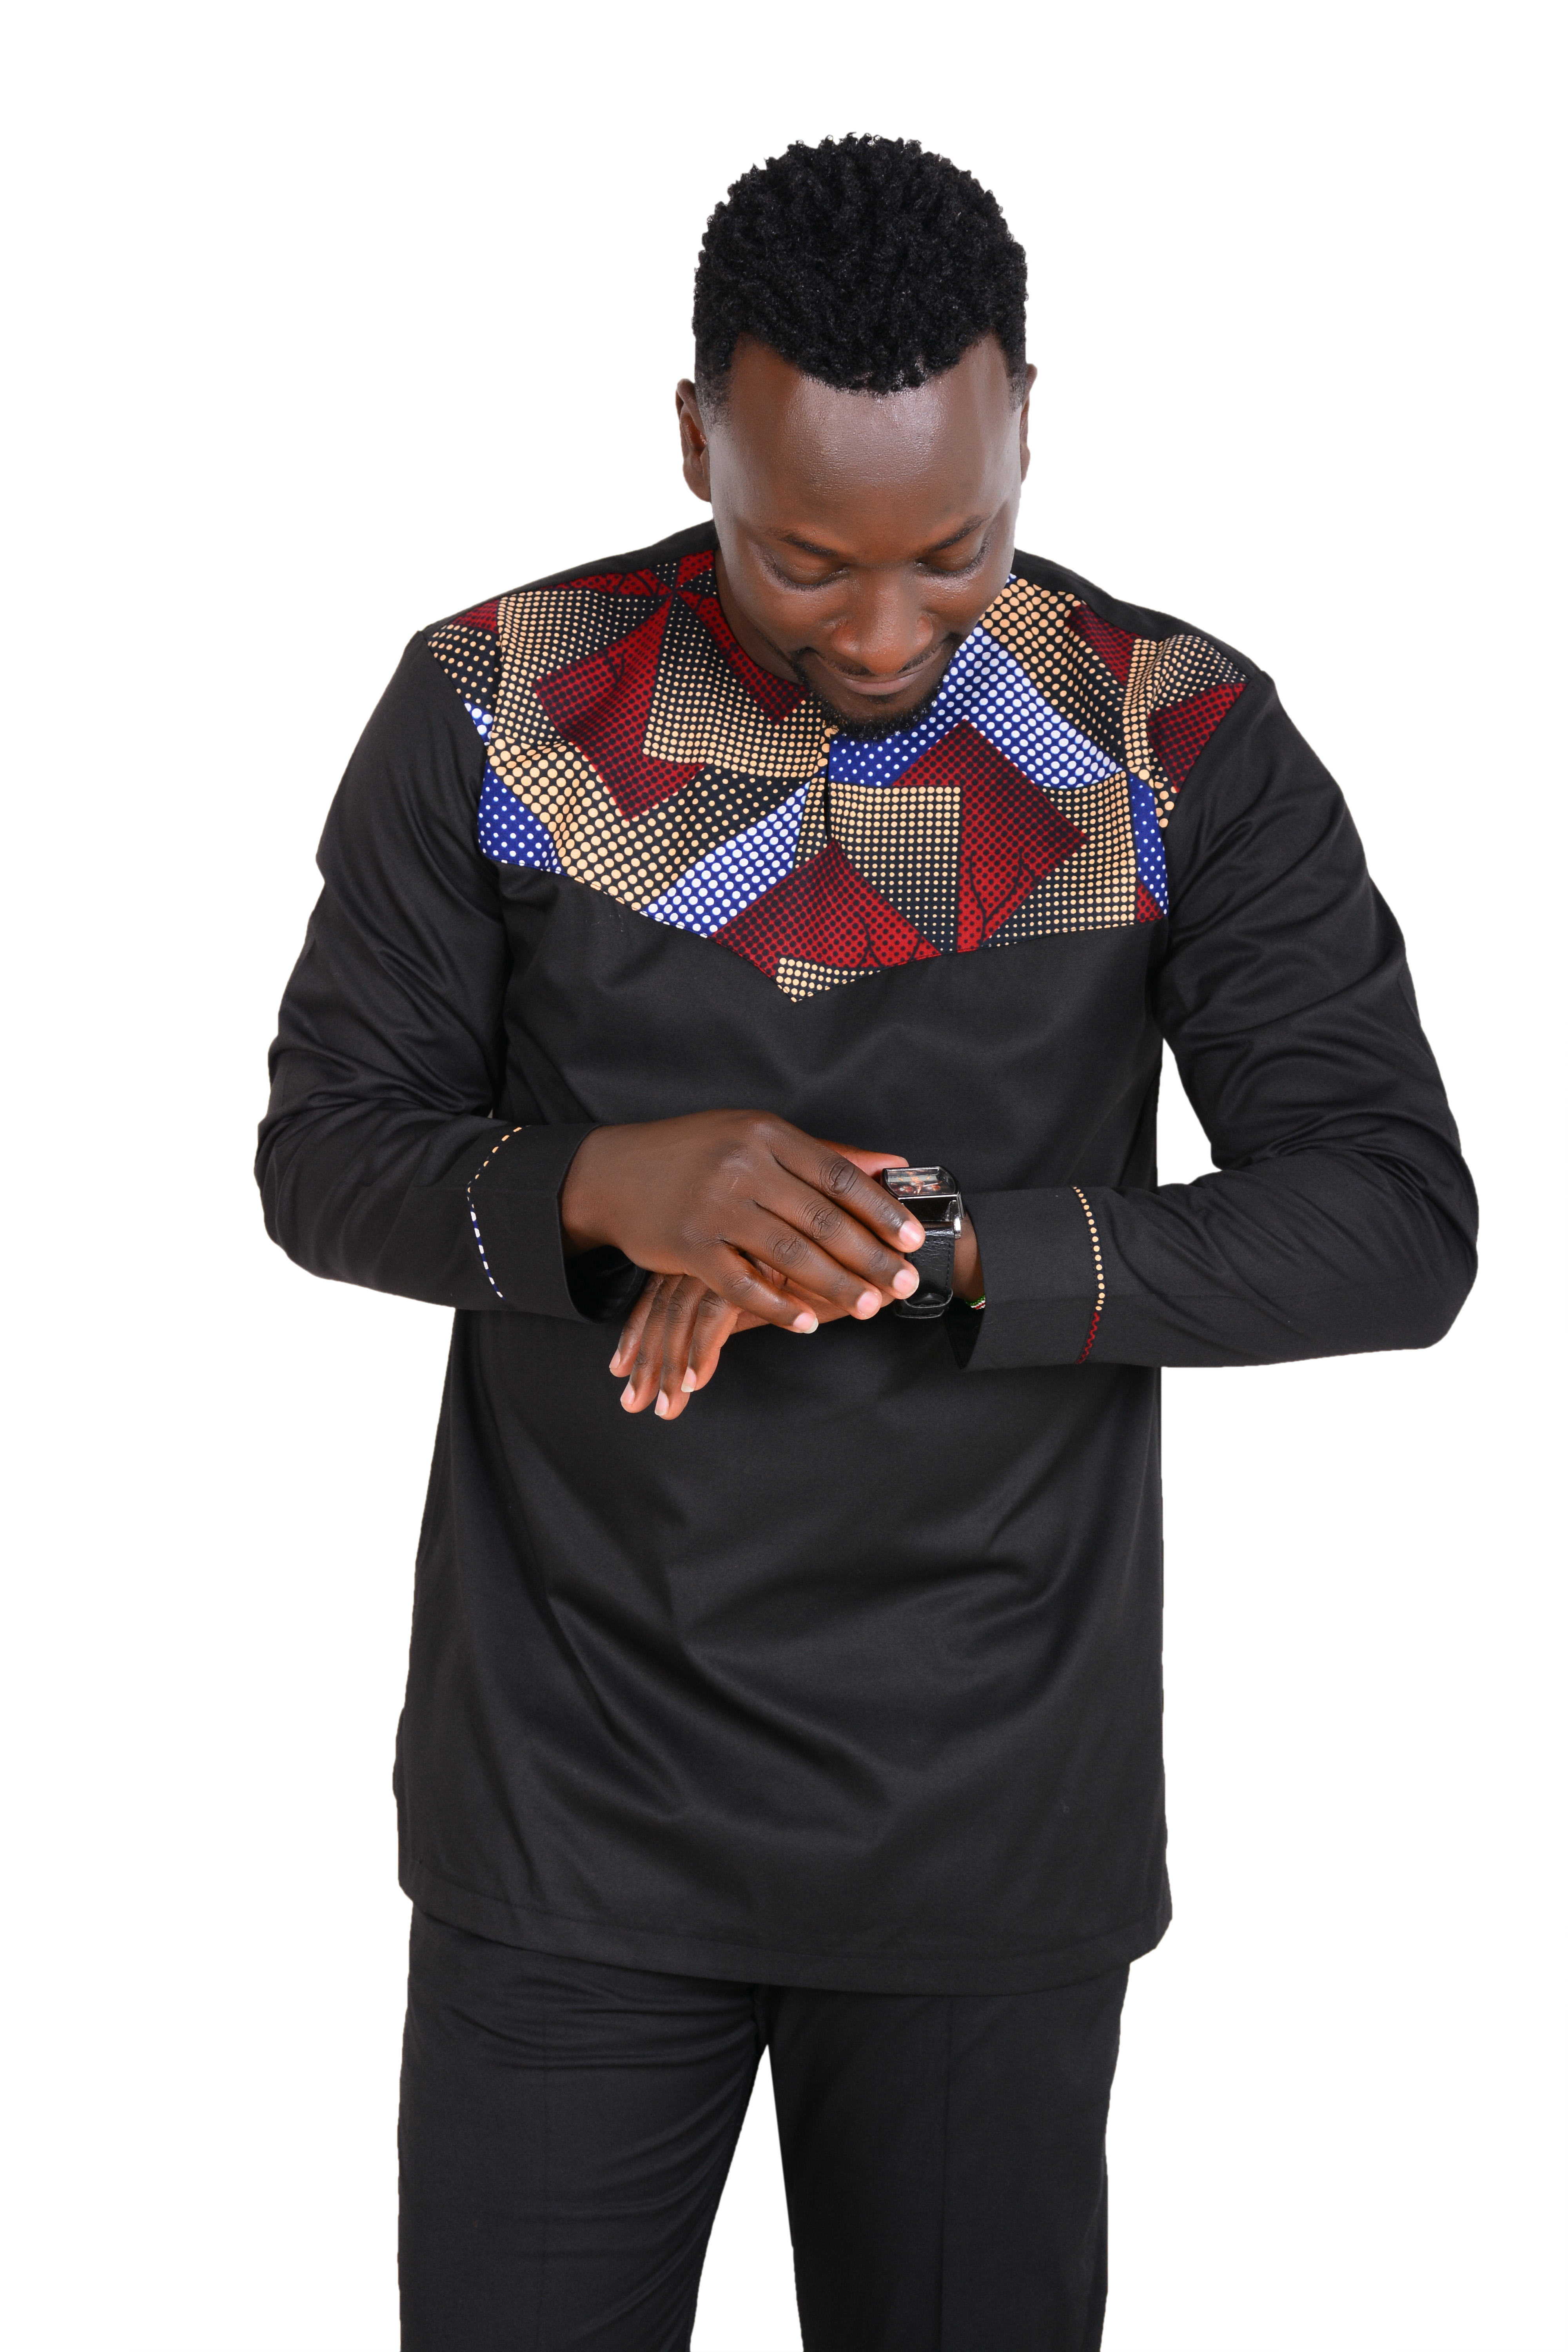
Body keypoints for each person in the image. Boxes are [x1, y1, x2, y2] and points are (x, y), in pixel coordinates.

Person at [257, 133, 1476, 2352]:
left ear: (1026, 427)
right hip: (571, 1803)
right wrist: (613, 1187)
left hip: (986, 1813)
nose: (888, 635)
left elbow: (1390, 1224)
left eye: (955, 550)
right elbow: (327, 1158)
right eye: (805, 563)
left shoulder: (1173, 736)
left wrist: (946, 1252)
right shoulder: (497, 706)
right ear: (695, 440)